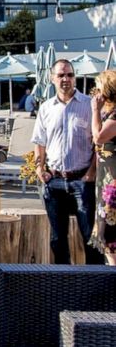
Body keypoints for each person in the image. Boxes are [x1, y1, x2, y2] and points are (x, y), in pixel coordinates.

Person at [31, 59, 104, 265]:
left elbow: (99, 144)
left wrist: (91, 172)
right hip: (54, 181)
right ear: (52, 78)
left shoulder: (89, 107)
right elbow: (39, 142)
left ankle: (95, 285)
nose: (66, 79)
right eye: (61, 75)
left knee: (90, 236)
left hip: (82, 180)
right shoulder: (46, 108)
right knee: (57, 238)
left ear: (75, 77)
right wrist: (39, 169)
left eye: (70, 75)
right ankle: (63, 282)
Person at [89, 70, 116, 265]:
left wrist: (95, 111)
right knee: (105, 231)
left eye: (98, 87)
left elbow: (99, 137)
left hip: (113, 183)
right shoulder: (109, 112)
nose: (95, 92)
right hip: (105, 179)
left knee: (110, 234)